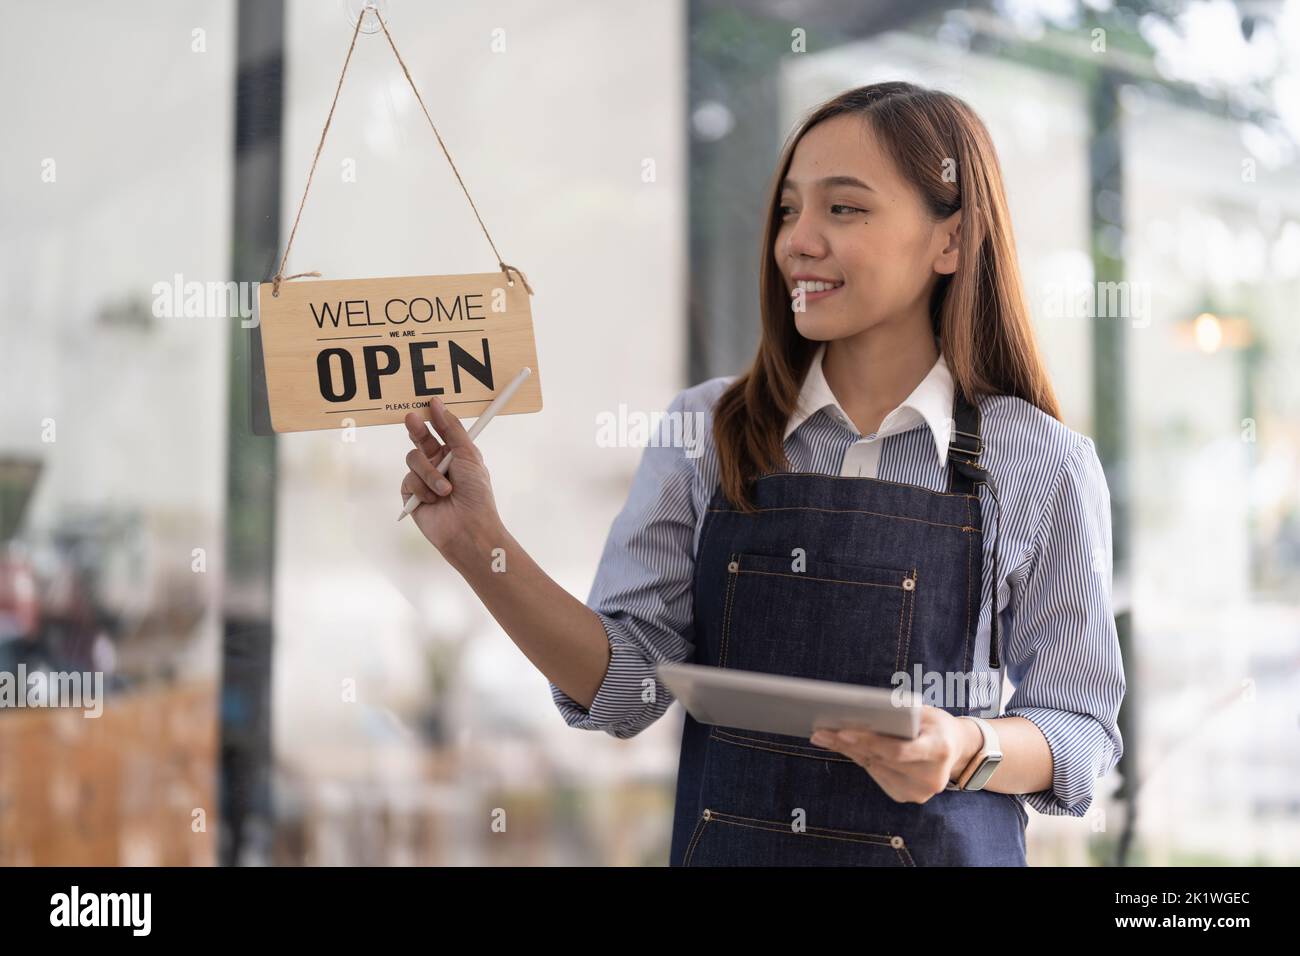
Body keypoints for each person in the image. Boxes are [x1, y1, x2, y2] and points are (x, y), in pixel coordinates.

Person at [398, 81, 1125, 866]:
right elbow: (627, 688)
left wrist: (965, 747)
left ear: (950, 241)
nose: (795, 242)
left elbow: (1081, 730)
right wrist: (480, 543)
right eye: (788, 210)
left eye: (842, 209)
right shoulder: (704, 431)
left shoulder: (1042, 464)